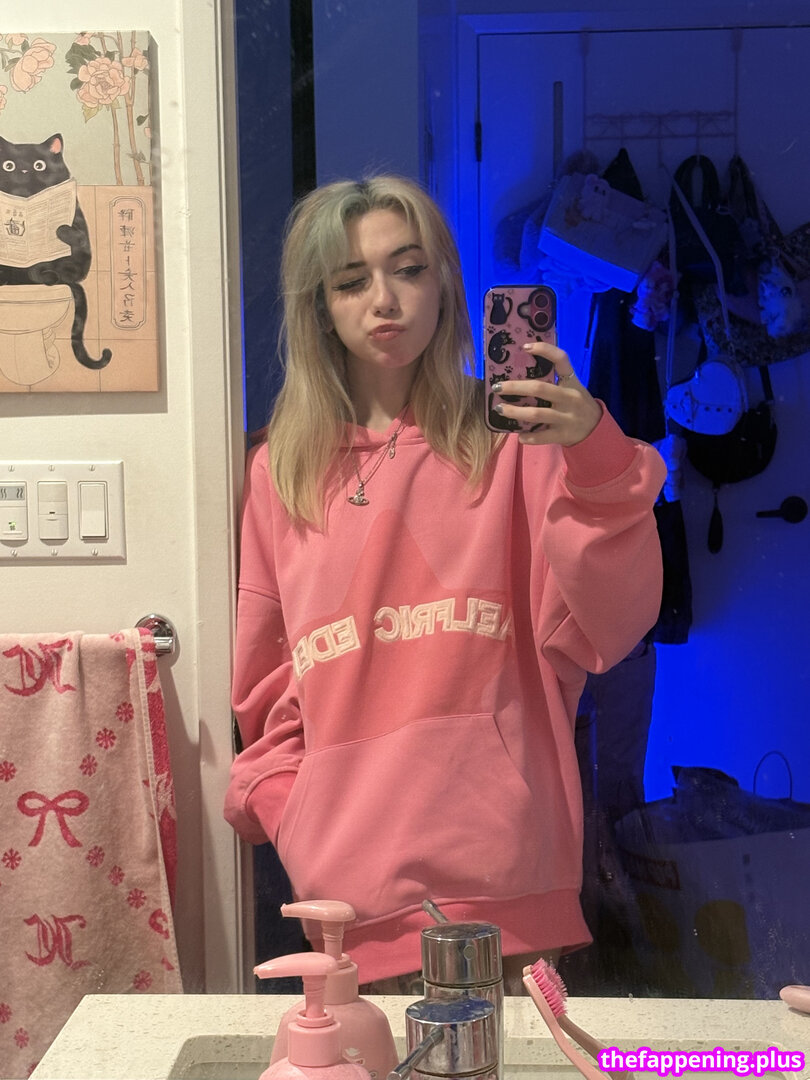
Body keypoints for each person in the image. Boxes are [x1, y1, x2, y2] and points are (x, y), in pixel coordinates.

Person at [225, 174, 666, 989]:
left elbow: (615, 620)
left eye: (408, 268)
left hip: (508, 885)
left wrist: (594, 450)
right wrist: (300, 817)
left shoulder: (520, 443)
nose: (384, 300)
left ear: (446, 284)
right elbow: (266, 691)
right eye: (350, 281)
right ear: (319, 306)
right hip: (346, 902)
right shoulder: (279, 473)